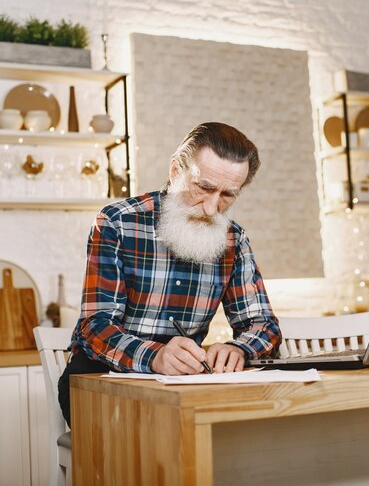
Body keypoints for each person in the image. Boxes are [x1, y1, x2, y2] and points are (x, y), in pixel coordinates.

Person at [58, 122, 281, 426]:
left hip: (183, 385)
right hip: (100, 378)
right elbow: (95, 327)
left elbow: (264, 325)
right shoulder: (117, 222)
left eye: (228, 195)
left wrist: (237, 348)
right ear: (176, 171)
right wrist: (156, 357)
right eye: (203, 187)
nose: (213, 208)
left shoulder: (234, 239)